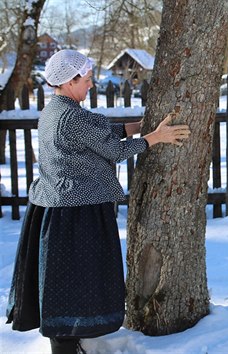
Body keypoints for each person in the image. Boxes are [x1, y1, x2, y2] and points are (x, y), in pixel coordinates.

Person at [5, 49, 191, 354]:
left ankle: (67, 341)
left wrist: (139, 128)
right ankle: (64, 346)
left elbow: (98, 132)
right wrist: (157, 138)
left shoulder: (56, 111)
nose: (91, 84)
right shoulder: (71, 117)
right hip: (74, 215)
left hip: (60, 211)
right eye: (87, 79)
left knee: (65, 283)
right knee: (73, 283)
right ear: (68, 81)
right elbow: (114, 151)